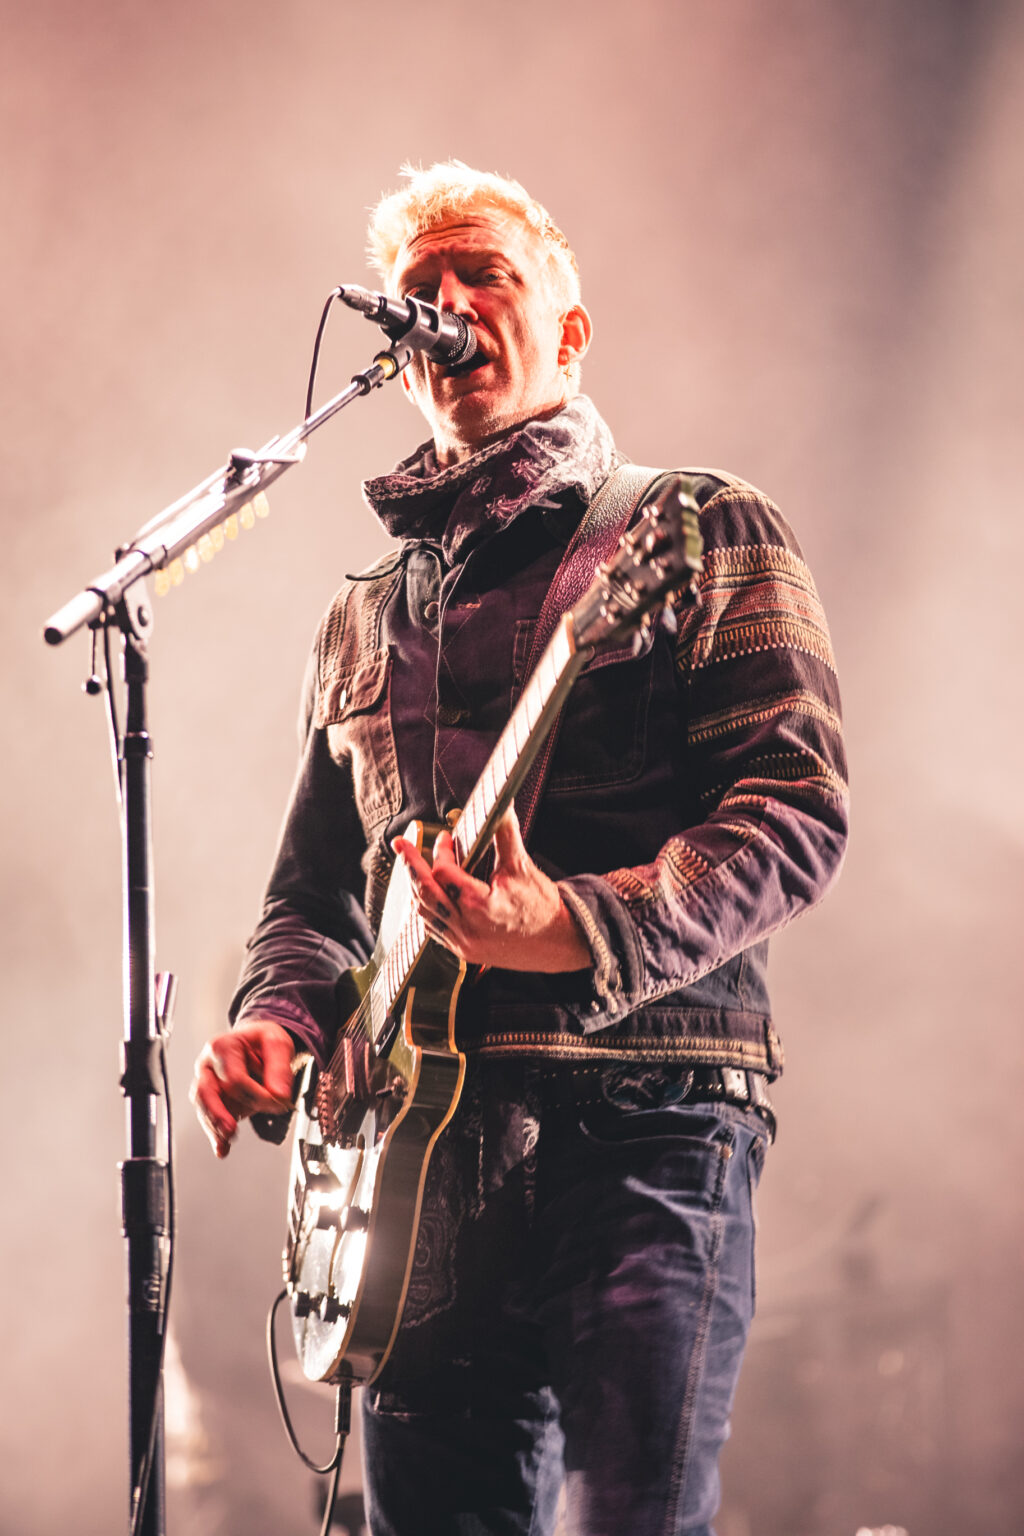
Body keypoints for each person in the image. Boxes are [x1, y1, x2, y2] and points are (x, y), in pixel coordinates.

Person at [192, 161, 848, 1536]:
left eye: (482, 273)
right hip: (412, 1167)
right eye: (418, 290)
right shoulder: (363, 618)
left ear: (570, 328)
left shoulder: (695, 526)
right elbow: (312, 898)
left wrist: (576, 927)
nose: (446, 304)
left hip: (645, 1127)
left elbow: (795, 810)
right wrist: (279, 1022)